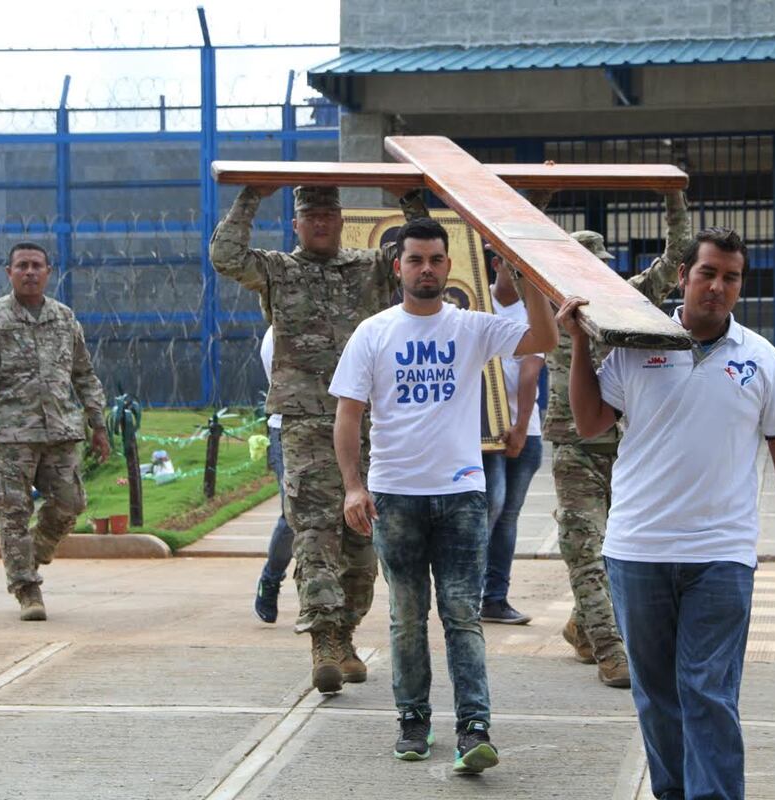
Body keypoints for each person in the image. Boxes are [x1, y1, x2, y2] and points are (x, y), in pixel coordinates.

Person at [560, 227, 775, 800]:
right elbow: (589, 423)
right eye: (708, 273)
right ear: (683, 276)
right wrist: (580, 342)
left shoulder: (760, 358)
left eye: (732, 278)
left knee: (707, 690)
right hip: (639, 551)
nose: (718, 287)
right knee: (657, 696)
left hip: (721, 555)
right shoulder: (636, 344)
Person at [331, 217, 557, 772]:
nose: (426, 269)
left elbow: (546, 339)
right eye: (416, 260)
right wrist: (353, 486)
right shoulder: (374, 332)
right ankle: (413, 720)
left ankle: (474, 728)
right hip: (395, 496)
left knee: (462, 614)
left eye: (435, 259)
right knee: (407, 617)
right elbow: (348, 414)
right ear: (398, 265)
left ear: (448, 266)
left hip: (461, 496)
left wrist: (524, 274)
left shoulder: (472, 327)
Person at [210, 182, 427, 693]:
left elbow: (421, 252)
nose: (323, 223)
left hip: (369, 420)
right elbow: (225, 256)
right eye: (312, 216)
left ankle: (345, 632)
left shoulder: (370, 268)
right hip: (306, 421)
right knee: (313, 531)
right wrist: (250, 198)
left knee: (363, 539)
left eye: (330, 213)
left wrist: (408, 198)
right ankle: (324, 640)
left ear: (340, 220)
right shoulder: (278, 270)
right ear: (297, 225)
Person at [546, 191, 691, 688]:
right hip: (574, 445)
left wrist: (674, 199)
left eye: (600, 266)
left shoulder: (631, 298)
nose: (596, 275)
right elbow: (516, 254)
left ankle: (584, 625)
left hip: (626, 444)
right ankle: (611, 649)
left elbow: (677, 258)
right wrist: (537, 203)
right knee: (583, 546)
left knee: (618, 551)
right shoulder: (550, 305)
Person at [0, 241, 110, 621]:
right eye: (21, 266)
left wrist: (98, 423)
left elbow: (83, 374)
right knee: (13, 514)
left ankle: (38, 547)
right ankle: (27, 591)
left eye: (36, 265)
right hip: (11, 436)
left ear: (48, 272)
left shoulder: (64, 318)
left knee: (71, 503)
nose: (29, 272)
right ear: (9, 273)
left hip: (59, 432)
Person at [477, 245, 546, 625]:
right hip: (483, 431)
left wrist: (520, 428)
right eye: (513, 267)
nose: (519, 277)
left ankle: (495, 597)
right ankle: (467, 591)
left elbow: (531, 371)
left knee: (507, 516)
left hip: (523, 430)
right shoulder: (474, 301)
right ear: (496, 264)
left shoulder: (532, 311)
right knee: (490, 505)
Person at [254, 326, 294, 623]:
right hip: (289, 428)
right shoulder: (276, 334)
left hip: (340, 423)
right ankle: (271, 577)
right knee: (292, 514)